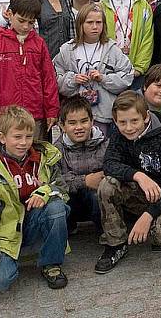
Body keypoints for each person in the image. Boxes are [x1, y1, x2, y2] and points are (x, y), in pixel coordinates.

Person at [0, 105, 70, 291]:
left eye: (28, 137)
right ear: (2, 137)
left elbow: (62, 190)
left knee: (57, 207)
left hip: (34, 221)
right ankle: (14, 256)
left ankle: (51, 263)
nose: (24, 143)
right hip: (5, 234)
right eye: (17, 137)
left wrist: (44, 192)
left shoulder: (43, 158)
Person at [94, 91, 161, 274]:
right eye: (122, 122)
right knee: (107, 184)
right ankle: (116, 244)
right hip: (138, 191)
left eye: (134, 121)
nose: (128, 128)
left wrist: (149, 214)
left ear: (145, 117)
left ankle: (150, 227)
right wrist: (138, 175)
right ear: (115, 121)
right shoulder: (119, 137)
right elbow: (109, 164)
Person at [0, 0, 60, 140]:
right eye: (21, 20)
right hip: (6, 115)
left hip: (35, 115)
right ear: (9, 14)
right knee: (8, 157)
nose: (26, 26)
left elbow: (48, 79)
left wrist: (52, 110)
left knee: (36, 157)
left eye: (30, 22)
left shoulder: (39, 44)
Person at [53, 3, 134, 135]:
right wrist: (73, 79)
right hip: (74, 115)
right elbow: (54, 78)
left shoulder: (112, 49)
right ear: (80, 24)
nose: (95, 27)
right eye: (90, 22)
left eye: (99, 22)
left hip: (103, 114)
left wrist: (104, 78)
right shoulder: (67, 50)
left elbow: (127, 76)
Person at [54, 96, 108, 235]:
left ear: (92, 121)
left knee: (101, 192)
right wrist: (84, 181)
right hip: (72, 202)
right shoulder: (56, 150)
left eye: (84, 121)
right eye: (72, 123)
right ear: (62, 126)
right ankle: (69, 228)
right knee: (57, 200)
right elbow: (55, 181)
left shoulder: (105, 144)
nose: (79, 127)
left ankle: (106, 231)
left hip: (95, 199)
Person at [100, 0, 154, 89]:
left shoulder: (143, 6)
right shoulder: (101, 7)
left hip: (135, 70)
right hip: (108, 71)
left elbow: (147, 38)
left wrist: (139, 68)